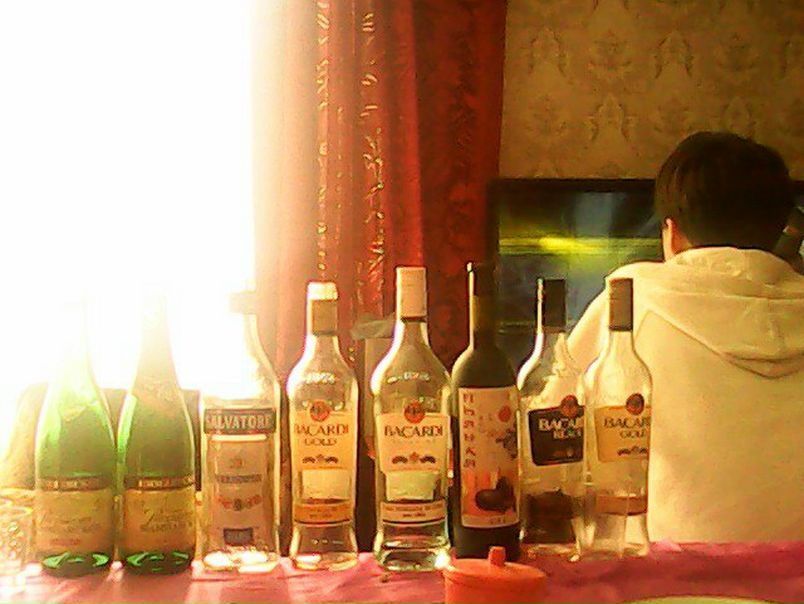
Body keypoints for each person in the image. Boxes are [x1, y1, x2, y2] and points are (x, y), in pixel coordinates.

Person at [568, 131, 804, 542]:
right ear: (780, 231)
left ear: (672, 233)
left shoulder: (630, 297)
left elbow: (544, 417)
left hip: (668, 572)